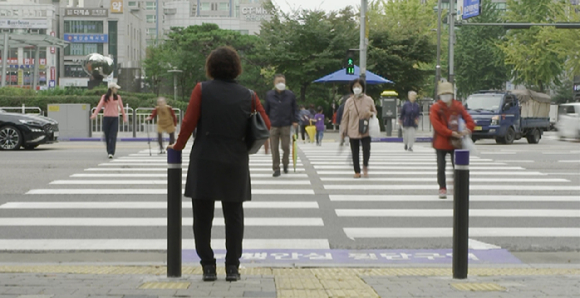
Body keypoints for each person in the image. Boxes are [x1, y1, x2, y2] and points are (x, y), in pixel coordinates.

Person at [167, 46, 271, 282]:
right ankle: (232, 267)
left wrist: (178, 147)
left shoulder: (201, 90)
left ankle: (208, 266)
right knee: (234, 215)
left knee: (202, 217)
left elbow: (188, 123)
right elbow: (265, 123)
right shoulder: (249, 95)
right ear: (236, 68)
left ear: (211, 67)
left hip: (205, 159)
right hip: (235, 160)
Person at [430, 81, 475, 199]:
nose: (446, 95)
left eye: (448, 93)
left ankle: (457, 186)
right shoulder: (436, 108)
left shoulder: (457, 106)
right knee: (441, 167)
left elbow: (469, 120)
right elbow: (437, 125)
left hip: (455, 143)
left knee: (457, 166)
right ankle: (442, 188)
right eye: (443, 93)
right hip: (441, 142)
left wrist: (468, 129)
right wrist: (451, 133)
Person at [340, 78, 377, 178]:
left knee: (366, 149)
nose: (357, 88)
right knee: (354, 151)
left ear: (362, 87)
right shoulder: (349, 101)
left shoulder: (369, 100)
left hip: (365, 129)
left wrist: (371, 114)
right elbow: (345, 117)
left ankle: (365, 166)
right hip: (352, 129)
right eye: (355, 87)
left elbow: (375, 112)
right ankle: (357, 171)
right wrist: (343, 131)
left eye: (359, 86)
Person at [264, 74, 299, 177]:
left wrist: (295, 120)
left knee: (286, 147)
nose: (281, 84)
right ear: (274, 83)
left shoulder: (290, 95)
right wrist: (266, 122)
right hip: (273, 125)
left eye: (282, 82)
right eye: (279, 82)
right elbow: (266, 110)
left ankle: (285, 163)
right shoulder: (269, 95)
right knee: (274, 148)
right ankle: (276, 168)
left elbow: (294, 109)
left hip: (286, 124)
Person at [90, 82, 127, 159]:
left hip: (115, 118)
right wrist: (94, 114)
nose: (116, 90)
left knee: (113, 136)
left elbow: (121, 107)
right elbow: (99, 106)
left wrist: (124, 116)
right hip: (106, 118)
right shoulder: (105, 97)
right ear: (111, 89)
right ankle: (108, 150)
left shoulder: (118, 97)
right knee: (106, 135)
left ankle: (111, 152)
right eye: (115, 88)